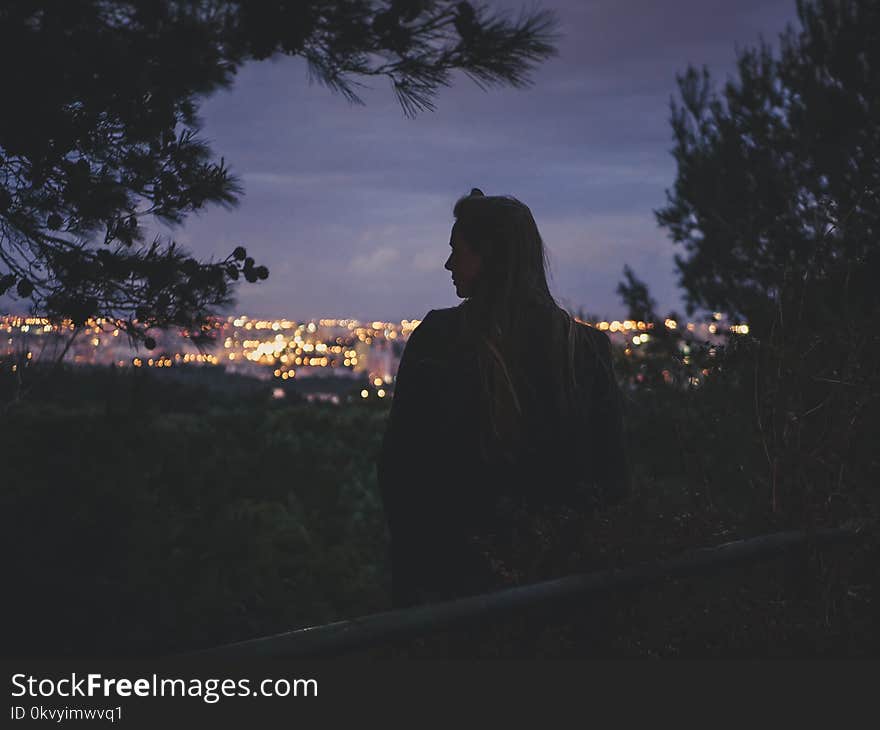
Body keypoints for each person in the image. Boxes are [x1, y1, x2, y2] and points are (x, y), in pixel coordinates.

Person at [377, 189, 630, 610]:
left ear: (489, 254)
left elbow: (401, 469)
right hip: (565, 590)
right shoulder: (584, 349)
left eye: (458, 250)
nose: (448, 263)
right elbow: (613, 479)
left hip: (454, 588)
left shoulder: (441, 341)